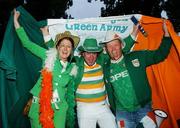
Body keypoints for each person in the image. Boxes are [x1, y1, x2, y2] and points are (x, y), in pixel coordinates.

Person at [14, 9, 79, 128]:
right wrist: (16, 21)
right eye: (62, 45)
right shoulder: (48, 56)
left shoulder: (72, 69)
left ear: (71, 51)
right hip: (40, 108)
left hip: (60, 110)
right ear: (57, 47)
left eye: (68, 47)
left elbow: (70, 91)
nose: (65, 49)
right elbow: (27, 43)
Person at [100, 20, 172, 128]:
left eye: (116, 45)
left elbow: (160, 55)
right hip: (122, 113)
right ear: (106, 49)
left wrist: (167, 35)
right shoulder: (106, 67)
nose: (113, 49)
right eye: (109, 46)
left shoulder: (137, 57)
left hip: (143, 108)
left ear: (121, 45)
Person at [74, 37, 117, 128]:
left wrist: (133, 35)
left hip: (102, 106)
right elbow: (61, 54)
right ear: (83, 54)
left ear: (97, 54)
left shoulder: (101, 62)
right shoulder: (77, 63)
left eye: (94, 53)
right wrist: (47, 36)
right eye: (88, 53)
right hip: (84, 107)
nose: (91, 57)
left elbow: (117, 51)